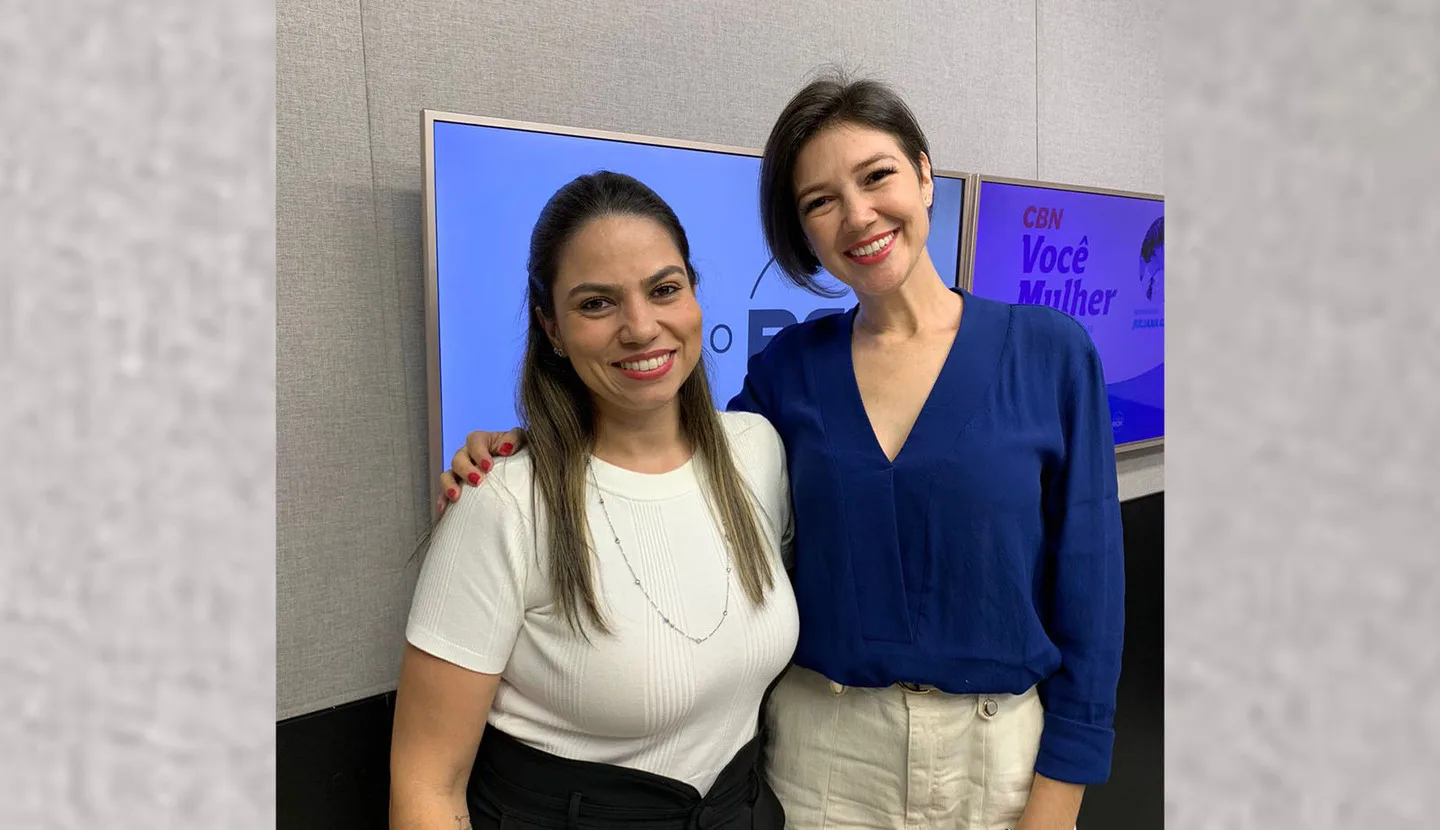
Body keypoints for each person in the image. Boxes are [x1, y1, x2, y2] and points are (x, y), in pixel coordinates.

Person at [438, 74, 1124, 830]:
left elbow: (1090, 593)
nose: (857, 215)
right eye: (819, 202)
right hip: (824, 762)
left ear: (926, 175)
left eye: (877, 176)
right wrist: (533, 445)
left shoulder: (1049, 353)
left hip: (1000, 760)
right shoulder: (789, 371)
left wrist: (1058, 800)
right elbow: (678, 464)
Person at [390, 171, 798, 830]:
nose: (641, 328)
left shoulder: (755, 451)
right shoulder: (503, 502)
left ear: (694, 293)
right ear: (550, 326)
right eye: (596, 304)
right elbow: (425, 787)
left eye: (664, 289)